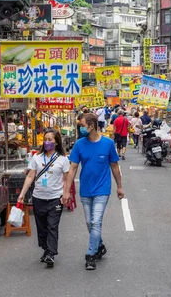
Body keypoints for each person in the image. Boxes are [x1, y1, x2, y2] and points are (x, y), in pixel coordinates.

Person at [62, 113, 124, 271]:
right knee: (90, 222)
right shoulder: (79, 144)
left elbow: (115, 166)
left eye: (83, 125)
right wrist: (67, 191)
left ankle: (90, 255)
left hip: (102, 190)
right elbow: (73, 168)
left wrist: (119, 186)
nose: (81, 128)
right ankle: (100, 245)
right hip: (85, 190)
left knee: (96, 222)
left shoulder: (108, 144)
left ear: (92, 125)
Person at [18, 128, 69, 268]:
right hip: (38, 197)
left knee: (52, 226)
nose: (47, 142)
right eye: (45, 139)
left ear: (56, 142)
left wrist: (66, 193)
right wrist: (22, 194)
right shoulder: (37, 158)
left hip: (55, 198)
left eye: (50, 140)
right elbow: (30, 176)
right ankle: (46, 249)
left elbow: (66, 179)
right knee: (42, 227)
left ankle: (51, 253)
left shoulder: (63, 159)